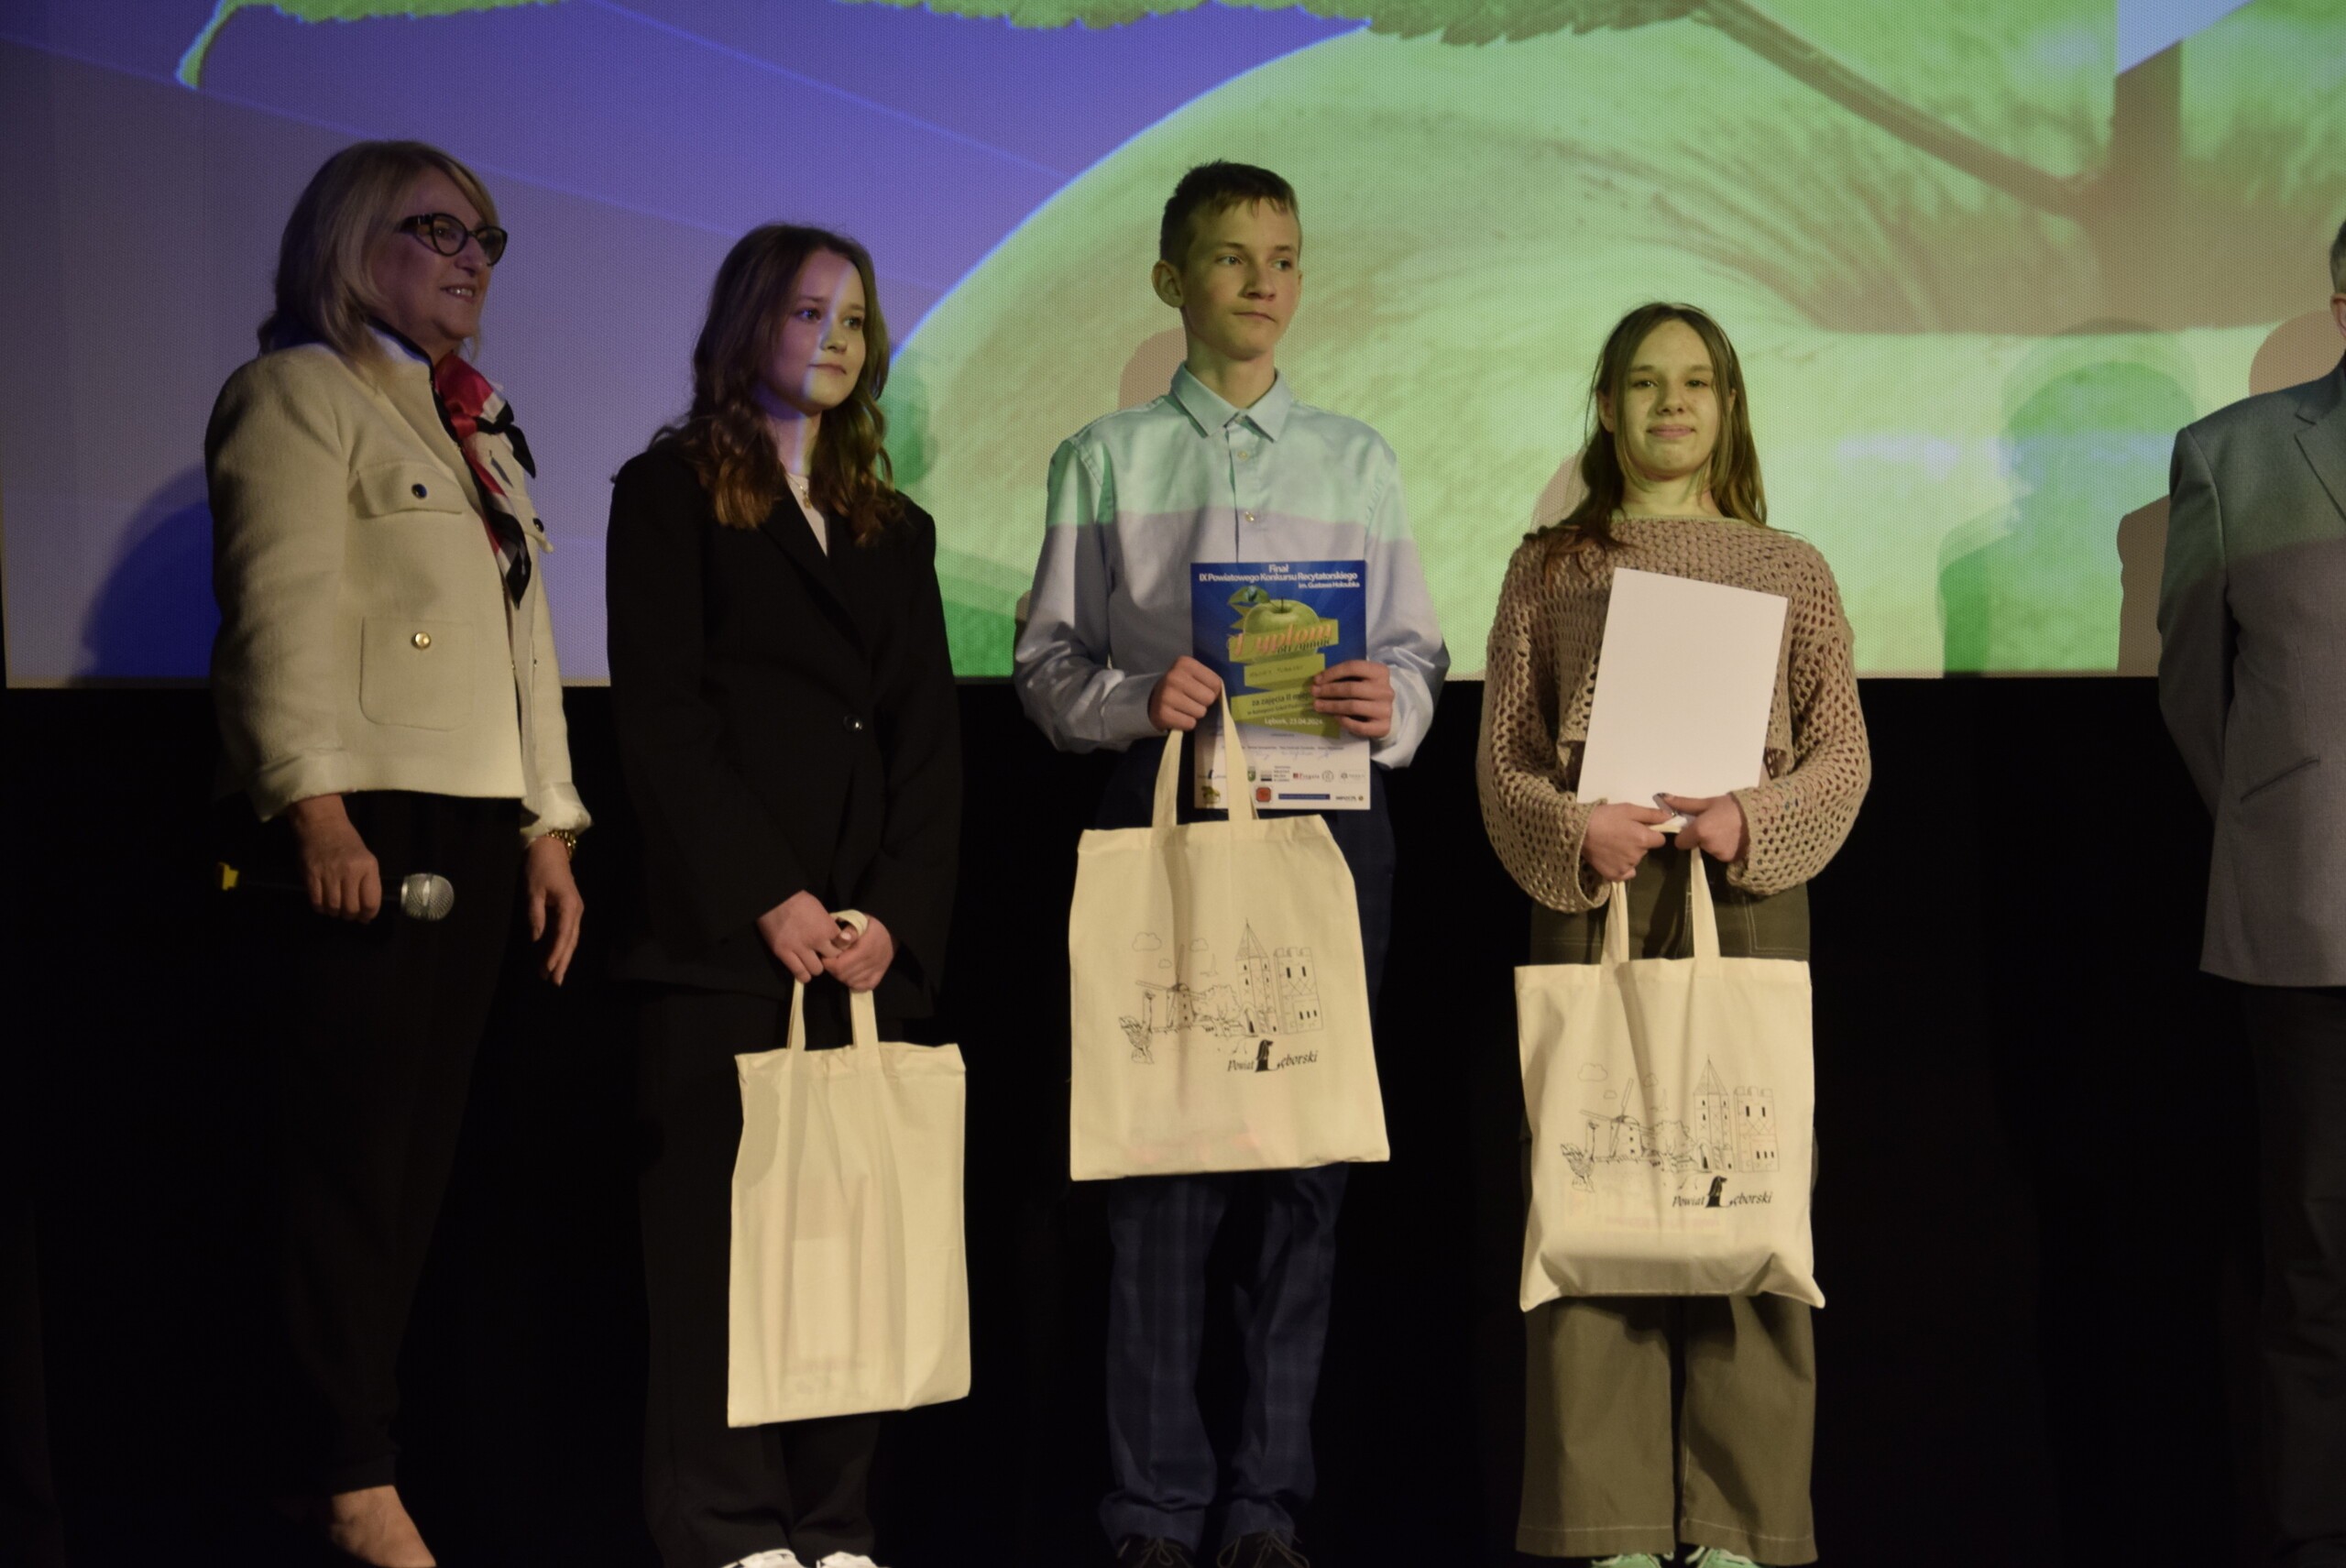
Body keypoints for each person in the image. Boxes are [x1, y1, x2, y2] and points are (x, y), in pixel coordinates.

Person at [1013, 160, 1448, 1568]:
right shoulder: (1106, 457)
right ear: (1170, 280)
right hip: (1168, 822)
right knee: (1160, 1169)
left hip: (1326, 832)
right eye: (1231, 257)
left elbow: (1417, 653)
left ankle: (1266, 1502)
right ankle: (1153, 1506)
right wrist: (1138, 700)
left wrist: (1393, 702)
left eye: (1285, 258)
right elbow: (1046, 665)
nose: (1264, 283)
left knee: (1304, 1167)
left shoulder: (1358, 459)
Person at [205, 138, 588, 1567]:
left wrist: (549, 826)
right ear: (352, 241)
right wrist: (312, 807)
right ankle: (341, 1471)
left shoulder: (474, 424)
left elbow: (527, 647)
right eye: (439, 230)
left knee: (423, 1170)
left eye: (487, 237)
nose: (472, 258)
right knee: (352, 1166)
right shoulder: (298, 395)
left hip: (476, 822)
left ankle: (343, 1459)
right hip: (371, 820)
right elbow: (276, 612)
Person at [1475, 302, 1869, 1568]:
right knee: (1594, 1183)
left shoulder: (1791, 567)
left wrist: (1755, 816)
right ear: (1607, 407)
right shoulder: (1550, 567)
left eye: (1696, 382)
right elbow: (1505, 757)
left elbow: (1842, 753)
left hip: (1743, 901)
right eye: (1644, 383)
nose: (1671, 404)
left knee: (1742, 1187)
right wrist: (1574, 829)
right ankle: (1616, 1526)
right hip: (1594, 897)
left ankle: (1743, 1526)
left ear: (1729, 404)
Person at [606, 224, 960, 1568]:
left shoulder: (892, 527)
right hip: (726, 945)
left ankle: (832, 1521)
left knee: (852, 1241)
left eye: (853, 319)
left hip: (859, 948)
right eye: (809, 312)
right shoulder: (669, 493)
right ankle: (727, 1525)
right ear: (749, 323)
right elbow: (663, 724)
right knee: (720, 1249)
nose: (834, 339)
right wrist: (770, 896)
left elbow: (928, 745)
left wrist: (893, 915)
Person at [2156, 220, 2346, 1568]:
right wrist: (2284, 832)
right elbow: (2196, 698)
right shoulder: (2234, 456)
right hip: (2310, 921)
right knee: (2319, 1268)